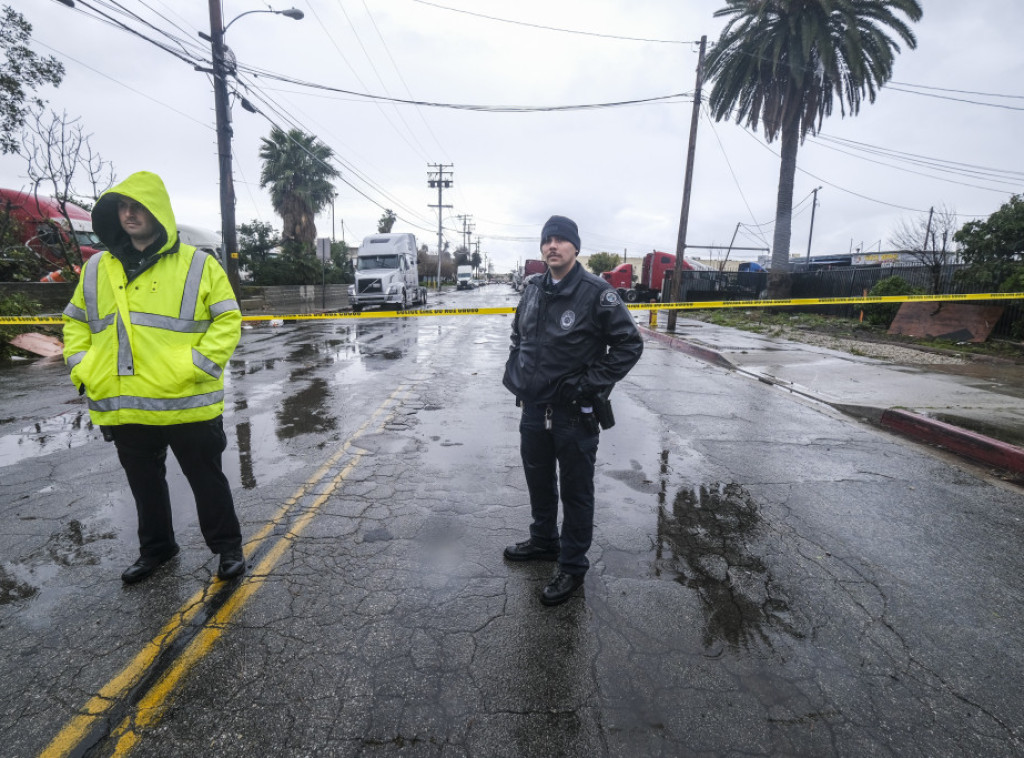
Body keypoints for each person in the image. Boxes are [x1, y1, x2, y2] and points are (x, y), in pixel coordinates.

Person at [62, 171, 246, 585]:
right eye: (121, 207)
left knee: (207, 481)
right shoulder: (95, 269)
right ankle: (158, 550)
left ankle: (228, 549)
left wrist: (197, 367)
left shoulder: (199, 264)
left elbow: (228, 319)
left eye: (137, 206)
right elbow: (74, 323)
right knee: (144, 486)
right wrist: (82, 367)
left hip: (187, 400)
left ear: (158, 211)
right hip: (126, 404)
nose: (129, 214)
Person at [502, 215, 643, 605]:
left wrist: (587, 383)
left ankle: (572, 565)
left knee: (577, 492)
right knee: (538, 479)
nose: (553, 246)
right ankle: (544, 540)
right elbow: (519, 334)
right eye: (548, 239)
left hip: (574, 414)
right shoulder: (532, 289)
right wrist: (517, 369)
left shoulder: (597, 293)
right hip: (534, 408)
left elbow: (629, 346)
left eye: (562, 240)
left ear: (575, 248)